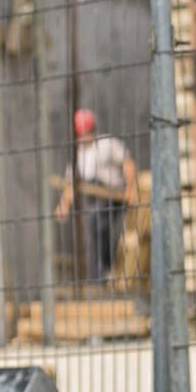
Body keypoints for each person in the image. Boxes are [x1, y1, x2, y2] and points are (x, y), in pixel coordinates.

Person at [55, 108, 138, 283]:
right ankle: (99, 276)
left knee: (101, 225)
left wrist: (132, 188)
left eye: (88, 133)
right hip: (93, 201)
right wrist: (64, 205)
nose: (85, 137)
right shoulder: (79, 155)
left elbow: (127, 163)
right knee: (94, 231)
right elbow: (71, 185)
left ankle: (106, 271)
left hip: (113, 197)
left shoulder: (107, 144)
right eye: (82, 134)